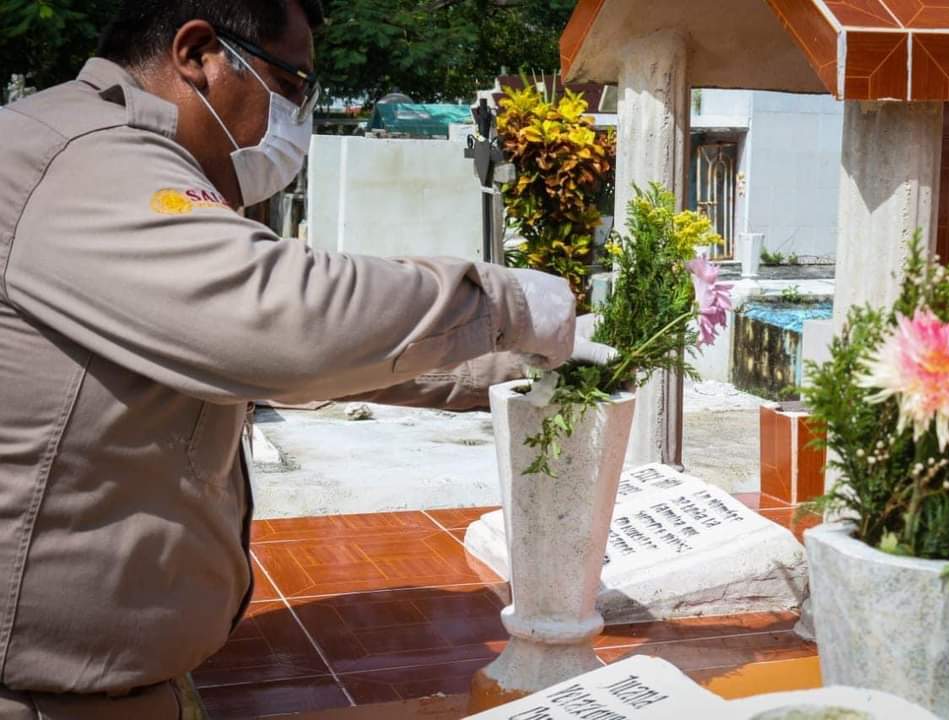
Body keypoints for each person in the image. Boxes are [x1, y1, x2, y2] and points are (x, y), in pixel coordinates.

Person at [0, 1, 613, 716]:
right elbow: (286, 323)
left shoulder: (114, 158)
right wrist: (505, 305)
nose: (301, 116)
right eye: (293, 85)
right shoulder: (84, 156)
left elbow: (280, 353)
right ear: (200, 54)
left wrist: (514, 361)